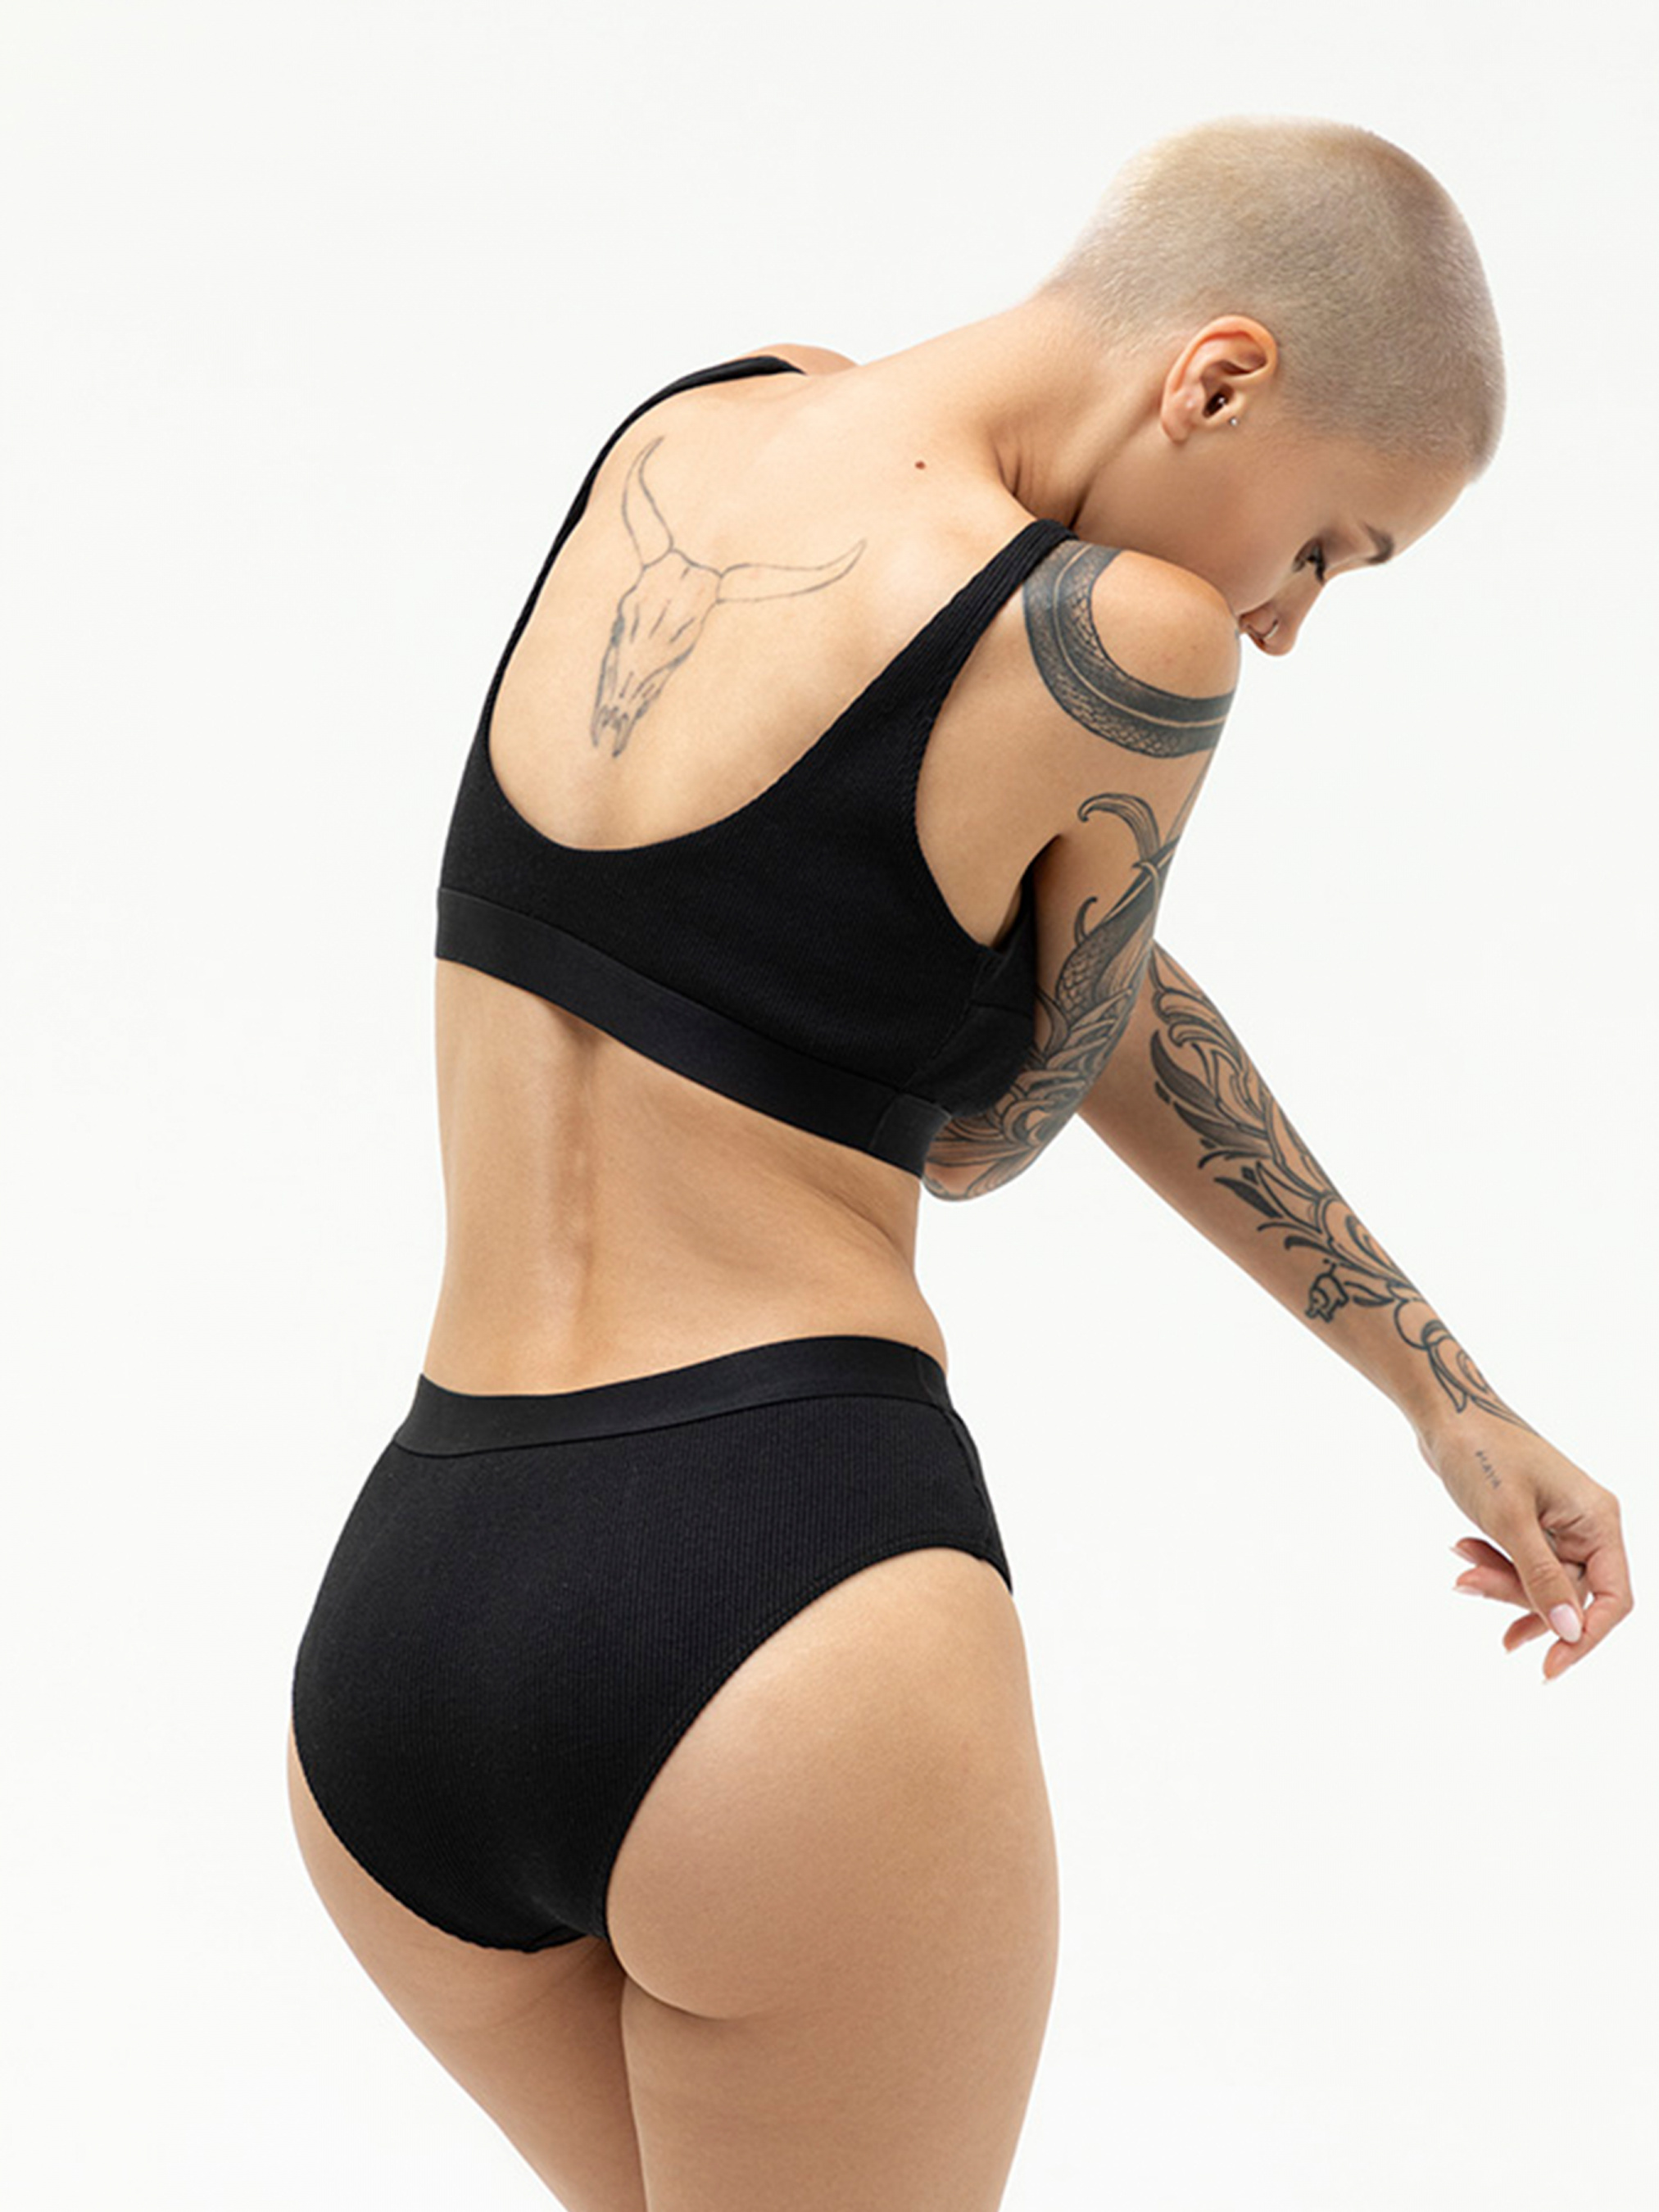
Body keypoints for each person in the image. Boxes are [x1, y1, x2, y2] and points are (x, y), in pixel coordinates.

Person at [286, 113, 1632, 2212]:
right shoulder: (1130, 639)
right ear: (1217, 377)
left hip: (411, 1619)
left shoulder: (692, 427)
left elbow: (884, 942)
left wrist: (1436, 1390)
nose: (1283, 620)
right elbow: (999, 1118)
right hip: (784, 1605)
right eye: (1328, 546)